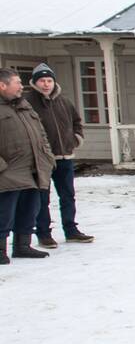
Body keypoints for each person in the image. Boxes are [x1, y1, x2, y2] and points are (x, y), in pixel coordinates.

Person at [23, 63, 94, 246]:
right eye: (42, 80)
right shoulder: (28, 103)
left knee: (67, 195)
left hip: (65, 157)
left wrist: (76, 139)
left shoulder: (64, 101)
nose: (46, 84)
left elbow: (77, 121)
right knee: (42, 198)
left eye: (49, 80)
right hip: (42, 160)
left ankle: (71, 230)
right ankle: (44, 233)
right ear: (35, 82)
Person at [0, 68, 55, 263]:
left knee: (29, 210)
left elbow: (41, 134)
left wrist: (47, 157)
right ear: (2, 85)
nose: (21, 87)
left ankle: (22, 246)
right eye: (17, 83)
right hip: (8, 174)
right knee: (4, 213)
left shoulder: (24, 106)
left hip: (33, 170)